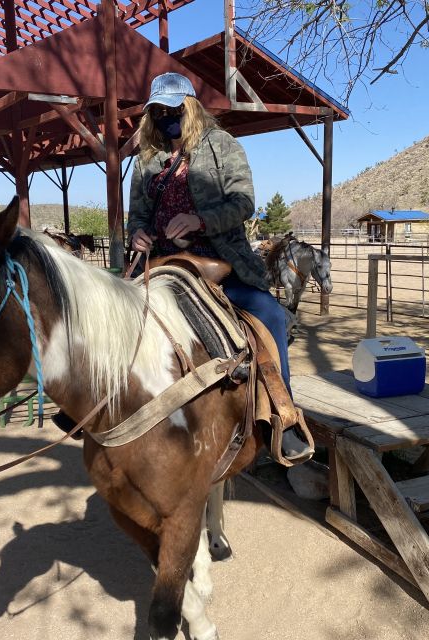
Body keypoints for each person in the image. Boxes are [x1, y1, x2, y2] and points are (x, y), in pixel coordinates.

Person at [127, 72, 312, 459]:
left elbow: (243, 202)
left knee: (269, 316)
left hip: (219, 260)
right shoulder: (146, 158)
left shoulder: (222, 145)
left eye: (173, 108)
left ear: (190, 107)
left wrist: (200, 220)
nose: (165, 116)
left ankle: (284, 416)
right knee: (112, 310)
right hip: (162, 261)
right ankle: (100, 404)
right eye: (158, 110)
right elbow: (137, 215)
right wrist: (138, 235)